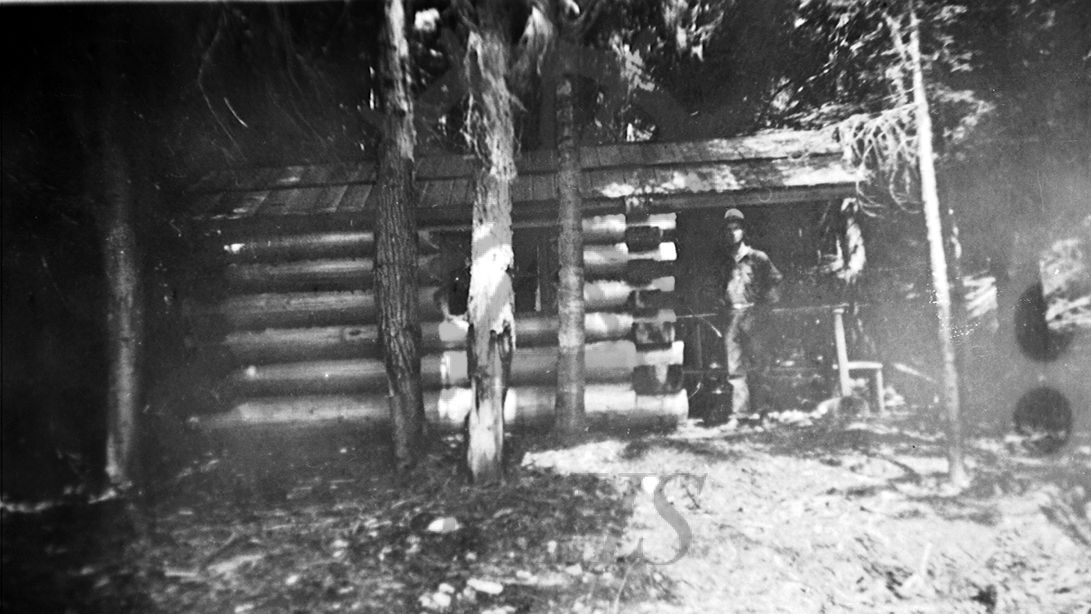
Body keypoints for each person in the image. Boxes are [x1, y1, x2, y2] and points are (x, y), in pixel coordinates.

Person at [706, 208, 783, 421]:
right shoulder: (723, 261)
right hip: (731, 316)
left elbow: (775, 282)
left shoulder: (758, 258)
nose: (732, 233)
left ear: (744, 231)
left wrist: (763, 309)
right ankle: (740, 413)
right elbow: (717, 287)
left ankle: (763, 412)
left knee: (759, 365)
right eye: (728, 229)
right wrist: (719, 302)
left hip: (754, 316)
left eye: (736, 228)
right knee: (735, 368)